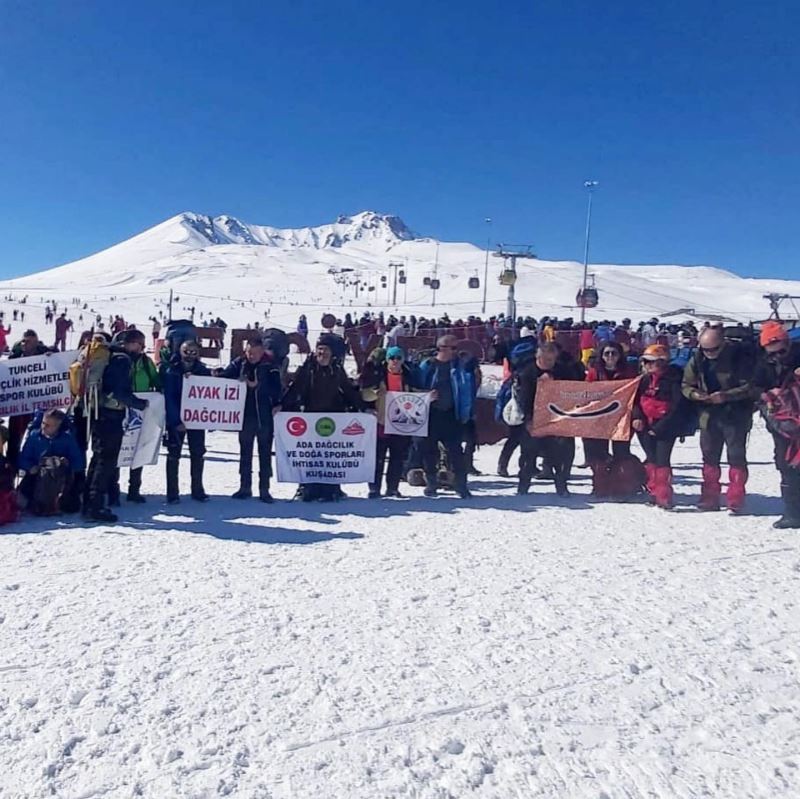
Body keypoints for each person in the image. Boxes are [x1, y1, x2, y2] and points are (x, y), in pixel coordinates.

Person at [281, 333, 366, 501]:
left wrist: (363, 408)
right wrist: (282, 406)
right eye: (319, 349)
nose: (322, 353)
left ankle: (332, 487)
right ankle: (306, 487)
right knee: (310, 455)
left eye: (325, 350)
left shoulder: (336, 369)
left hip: (333, 417)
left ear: (332, 352)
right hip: (311, 416)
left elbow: (347, 390)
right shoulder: (308, 368)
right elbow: (296, 388)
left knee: (330, 455)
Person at [682, 326, 755, 512]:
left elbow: (751, 386)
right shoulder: (698, 358)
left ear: (722, 344)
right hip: (709, 414)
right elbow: (686, 384)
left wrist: (727, 395)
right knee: (709, 457)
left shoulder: (740, 358)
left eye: (713, 349)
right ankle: (709, 496)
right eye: (705, 349)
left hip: (735, 415)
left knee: (736, 456)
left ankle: (735, 496)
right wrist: (695, 394)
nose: (709, 353)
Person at [219, 338, 282, 502]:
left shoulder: (271, 366)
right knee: (245, 453)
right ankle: (244, 487)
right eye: (249, 352)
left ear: (262, 352)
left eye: (254, 353)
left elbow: (277, 388)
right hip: (245, 416)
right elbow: (223, 378)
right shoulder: (239, 363)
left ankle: (264, 489)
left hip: (264, 415)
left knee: (265, 453)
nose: (251, 356)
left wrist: (258, 387)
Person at [414, 335, 475, 498]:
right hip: (431, 414)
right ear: (441, 348)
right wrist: (426, 396)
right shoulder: (427, 366)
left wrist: (465, 413)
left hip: (451, 414)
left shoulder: (459, 367)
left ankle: (461, 485)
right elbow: (414, 389)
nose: (456, 351)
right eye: (452, 348)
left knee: (456, 452)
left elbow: (466, 391)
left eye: (456, 348)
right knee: (429, 452)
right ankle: (431, 483)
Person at [752, 321, 800, 528]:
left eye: (780, 351)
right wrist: (767, 394)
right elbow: (754, 387)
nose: (777, 356)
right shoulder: (763, 364)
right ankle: (792, 513)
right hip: (781, 422)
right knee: (785, 464)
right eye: (771, 353)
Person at [516, 342, 578, 496]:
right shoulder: (528, 373)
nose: (549, 363)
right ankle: (523, 486)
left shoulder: (563, 371)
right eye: (546, 360)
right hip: (534, 419)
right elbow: (524, 399)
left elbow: (573, 391)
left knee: (559, 455)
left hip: (556, 419)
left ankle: (561, 486)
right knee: (528, 455)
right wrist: (529, 420)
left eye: (552, 360)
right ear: (538, 357)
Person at [109, 329, 161, 504]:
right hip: (119, 409)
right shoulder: (117, 360)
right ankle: (113, 490)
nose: (141, 347)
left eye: (142, 344)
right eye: (138, 343)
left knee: (138, 449)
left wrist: (159, 396)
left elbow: (156, 382)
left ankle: (134, 489)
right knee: (116, 450)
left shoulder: (146, 363)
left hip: (140, 411)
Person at [584, 341, 639, 496]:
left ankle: (621, 485)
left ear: (620, 355)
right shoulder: (594, 373)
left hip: (622, 418)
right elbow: (586, 393)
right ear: (601, 356)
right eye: (606, 353)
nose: (610, 357)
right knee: (599, 453)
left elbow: (634, 394)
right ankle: (600, 485)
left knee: (621, 452)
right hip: (600, 417)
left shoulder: (628, 372)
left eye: (614, 353)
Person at [632, 345, 684, 509]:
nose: (646, 365)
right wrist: (637, 418)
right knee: (651, 458)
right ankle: (653, 492)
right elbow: (635, 402)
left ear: (662, 362)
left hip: (665, 427)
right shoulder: (644, 380)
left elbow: (677, 406)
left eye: (650, 362)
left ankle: (664, 494)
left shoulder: (674, 380)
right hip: (645, 425)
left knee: (662, 460)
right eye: (644, 361)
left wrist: (661, 427)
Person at [359, 345, 414, 498]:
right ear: (387, 360)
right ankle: (374, 488)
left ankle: (393, 488)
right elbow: (364, 395)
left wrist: (429, 396)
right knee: (378, 457)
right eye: (391, 358)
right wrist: (376, 393)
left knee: (397, 458)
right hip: (381, 422)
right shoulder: (378, 375)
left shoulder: (408, 375)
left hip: (401, 423)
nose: (395, 361)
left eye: (398, 358)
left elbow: (415, 394)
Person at [160, 340, 211, 504]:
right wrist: (176, 421)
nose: (190, 355)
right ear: (180, 351)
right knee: (174, 455)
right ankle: (172, 493)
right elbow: (169, 397)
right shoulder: (171, 369)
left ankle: (197, 490)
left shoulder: (202, 370)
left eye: (193, 352)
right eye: (186, 351)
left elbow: (211, 393)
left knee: (198, 453)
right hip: (177, 420)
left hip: (197, 419)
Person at [17, 409, 85, 514]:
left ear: (57, 426)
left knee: (72, 506)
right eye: (43, 423)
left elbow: (79, 463)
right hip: (37, 475)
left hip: (61, 478)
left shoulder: (67, 439)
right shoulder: (34, 436)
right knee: (20, 500)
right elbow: (23, 459)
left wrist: (68, 464)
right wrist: (30, 467)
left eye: (48, 425)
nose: (44, 427)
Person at [6, 330, 55, 468]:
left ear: (35, 342)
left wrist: (51, 358)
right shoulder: (15, 358)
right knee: (14, 436)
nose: (24, 344)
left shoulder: (44, 356)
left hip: (37, 405)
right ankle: (12, 464)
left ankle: (31, 467)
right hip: (18, 403)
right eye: (23, 341)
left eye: (28, 341)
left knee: (35, 435)